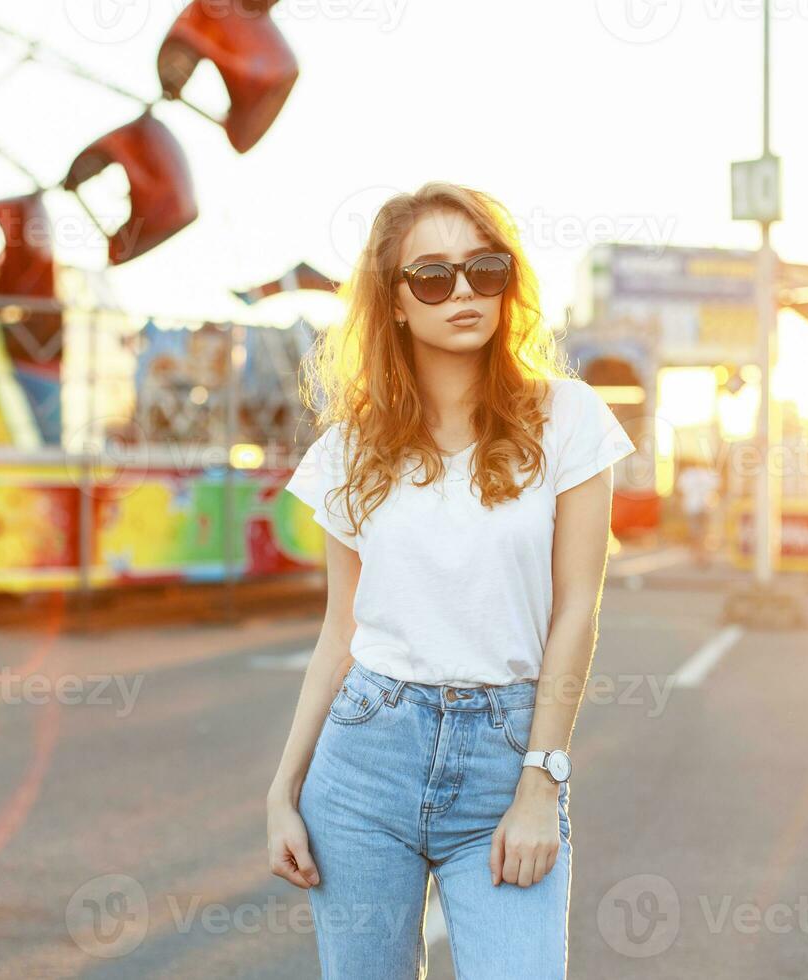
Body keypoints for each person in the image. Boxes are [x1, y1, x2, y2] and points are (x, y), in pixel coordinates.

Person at [266, 182, 635, 978]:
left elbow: (577, 611)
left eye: (484, 270)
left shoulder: (568, 418)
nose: (463, 292)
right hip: (365, 760)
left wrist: (542, 782)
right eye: (432, 277)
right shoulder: (349, 450)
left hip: (507, 760)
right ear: (395, 303)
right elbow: (341, 631)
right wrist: (282, 792)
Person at [675, 455, 720, 568]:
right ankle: (703, 554)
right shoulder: (710, 474)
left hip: (692, 507)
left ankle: (696, 554)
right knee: (705, 533)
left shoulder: (687, 474)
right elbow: (719, 488)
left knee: (695, 533)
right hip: (706, 507)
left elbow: (679, 491)